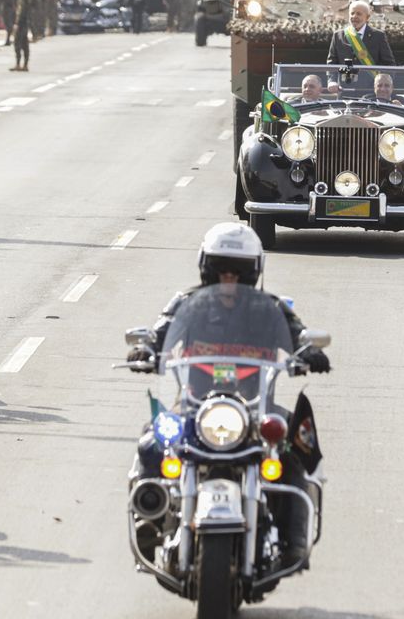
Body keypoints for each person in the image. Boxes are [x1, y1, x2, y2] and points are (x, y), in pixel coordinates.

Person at [127, 222, 330, 566]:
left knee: (294, 446)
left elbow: (297, 334)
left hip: (254, 407)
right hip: (193, 406)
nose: (229, 278)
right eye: (221, 269)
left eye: (237, 271)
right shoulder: (186, 305)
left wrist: (308, 350)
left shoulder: (270, 308)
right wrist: (146, 348)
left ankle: (295, 541)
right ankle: (150, 520)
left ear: (252, 273)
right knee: (153, 442)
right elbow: (160, 332)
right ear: (207, 268)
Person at [326, 0, 397, 66]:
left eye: (359, 14)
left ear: (367, 17)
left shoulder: (378, 36)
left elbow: (389, 64)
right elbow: (331, 63)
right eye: (352, 13)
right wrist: (332, 79)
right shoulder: (338, 36)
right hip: (344, 79)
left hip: (370, 79)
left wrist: (382, 79)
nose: (354, 16)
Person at [11, 0, 33, 72]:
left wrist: (17, 23)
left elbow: (20, 11)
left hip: (21, 22)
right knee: (25, 44)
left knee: (17, 44)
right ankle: (25, 65)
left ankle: (18, 64)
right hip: (27, 22)